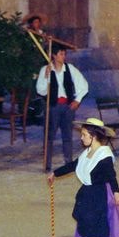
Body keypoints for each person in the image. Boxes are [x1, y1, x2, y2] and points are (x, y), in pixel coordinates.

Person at [47, 118, 119, 237]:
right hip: (87, 196)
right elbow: (73, 165)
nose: (81, 138)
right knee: (90, 232)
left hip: (100, 197)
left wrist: (117, 192)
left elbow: (111, 176)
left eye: (84, 135)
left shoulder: (104, 155)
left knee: (102, 233)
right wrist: (55, 173)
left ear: (93, 136)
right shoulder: (86, 153)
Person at [36, 43, 89, 172]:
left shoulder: (70, 69)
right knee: (49, 136)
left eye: (64, 54)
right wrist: (45, 77)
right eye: (61, 54)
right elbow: (41, 91)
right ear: (54, 55)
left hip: (67, 106)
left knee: (67, 136)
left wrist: (77, 100)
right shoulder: (46, 69)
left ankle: (68, 163)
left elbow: (84, 85)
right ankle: (47, 164)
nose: (63, 56)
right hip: (53, 106)